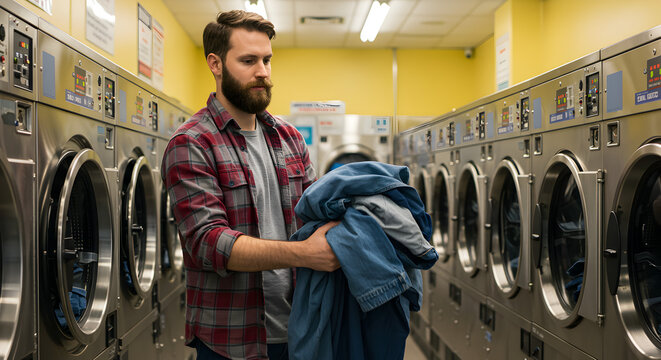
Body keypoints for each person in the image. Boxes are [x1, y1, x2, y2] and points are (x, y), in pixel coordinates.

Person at [161, 10, 339, 360]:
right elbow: (209, 242)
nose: (263, 72)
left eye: (267, 60)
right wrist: (304, 253)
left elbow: (317, 213)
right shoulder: (192, 143)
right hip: (230, 339)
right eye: (248, 60)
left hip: (302, 330)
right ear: (215, 64)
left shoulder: (288, 138)